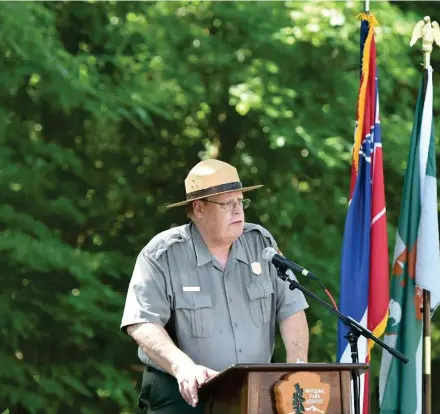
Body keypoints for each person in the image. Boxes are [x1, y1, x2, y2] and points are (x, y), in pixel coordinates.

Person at [120, 159, 310, 413]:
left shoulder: (261, 245)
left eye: (241, 201)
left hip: (255, 391)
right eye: (227, 203)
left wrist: (296, 371)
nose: (238, 211)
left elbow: (292, 309)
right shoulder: (162, 254)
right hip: (186, 394)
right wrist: (182, 367)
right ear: (199, 209)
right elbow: (142, 322)